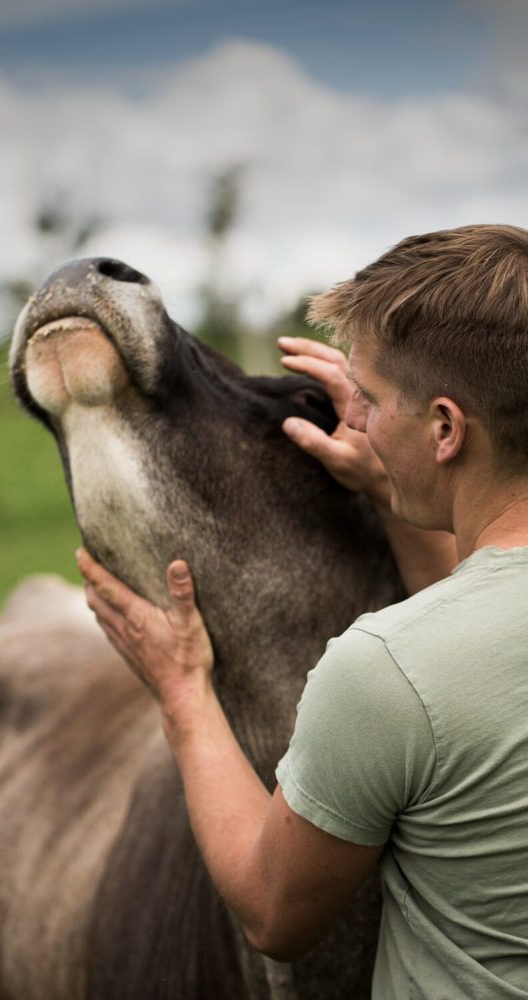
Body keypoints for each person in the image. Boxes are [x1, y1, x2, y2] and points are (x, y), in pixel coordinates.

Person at [76, 224, 528, 999]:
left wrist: (184, 691)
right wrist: (397, 482)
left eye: (373, 402)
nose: (358, 423)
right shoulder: (438, 659)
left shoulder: (388, 669)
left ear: (447, 429)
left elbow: (274, 914)